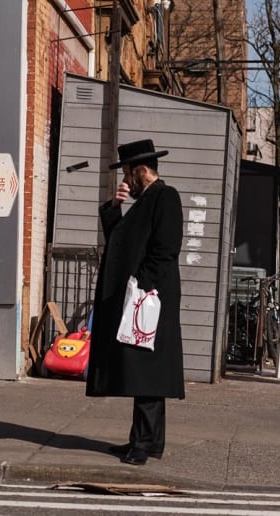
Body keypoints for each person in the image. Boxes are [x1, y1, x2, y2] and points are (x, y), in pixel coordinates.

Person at [86, 138, 184, 466]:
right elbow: (120, 243)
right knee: (145, 371)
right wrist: (114, 207)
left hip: (150, 298)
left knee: (147, 372)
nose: (125, 180)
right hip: (143, 296)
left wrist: (141, 285)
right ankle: (147, 440)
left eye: (128, 173)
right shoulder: (145, 201)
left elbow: (166, 249)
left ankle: (142, 445)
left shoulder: (165, 197)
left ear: (142, 171)